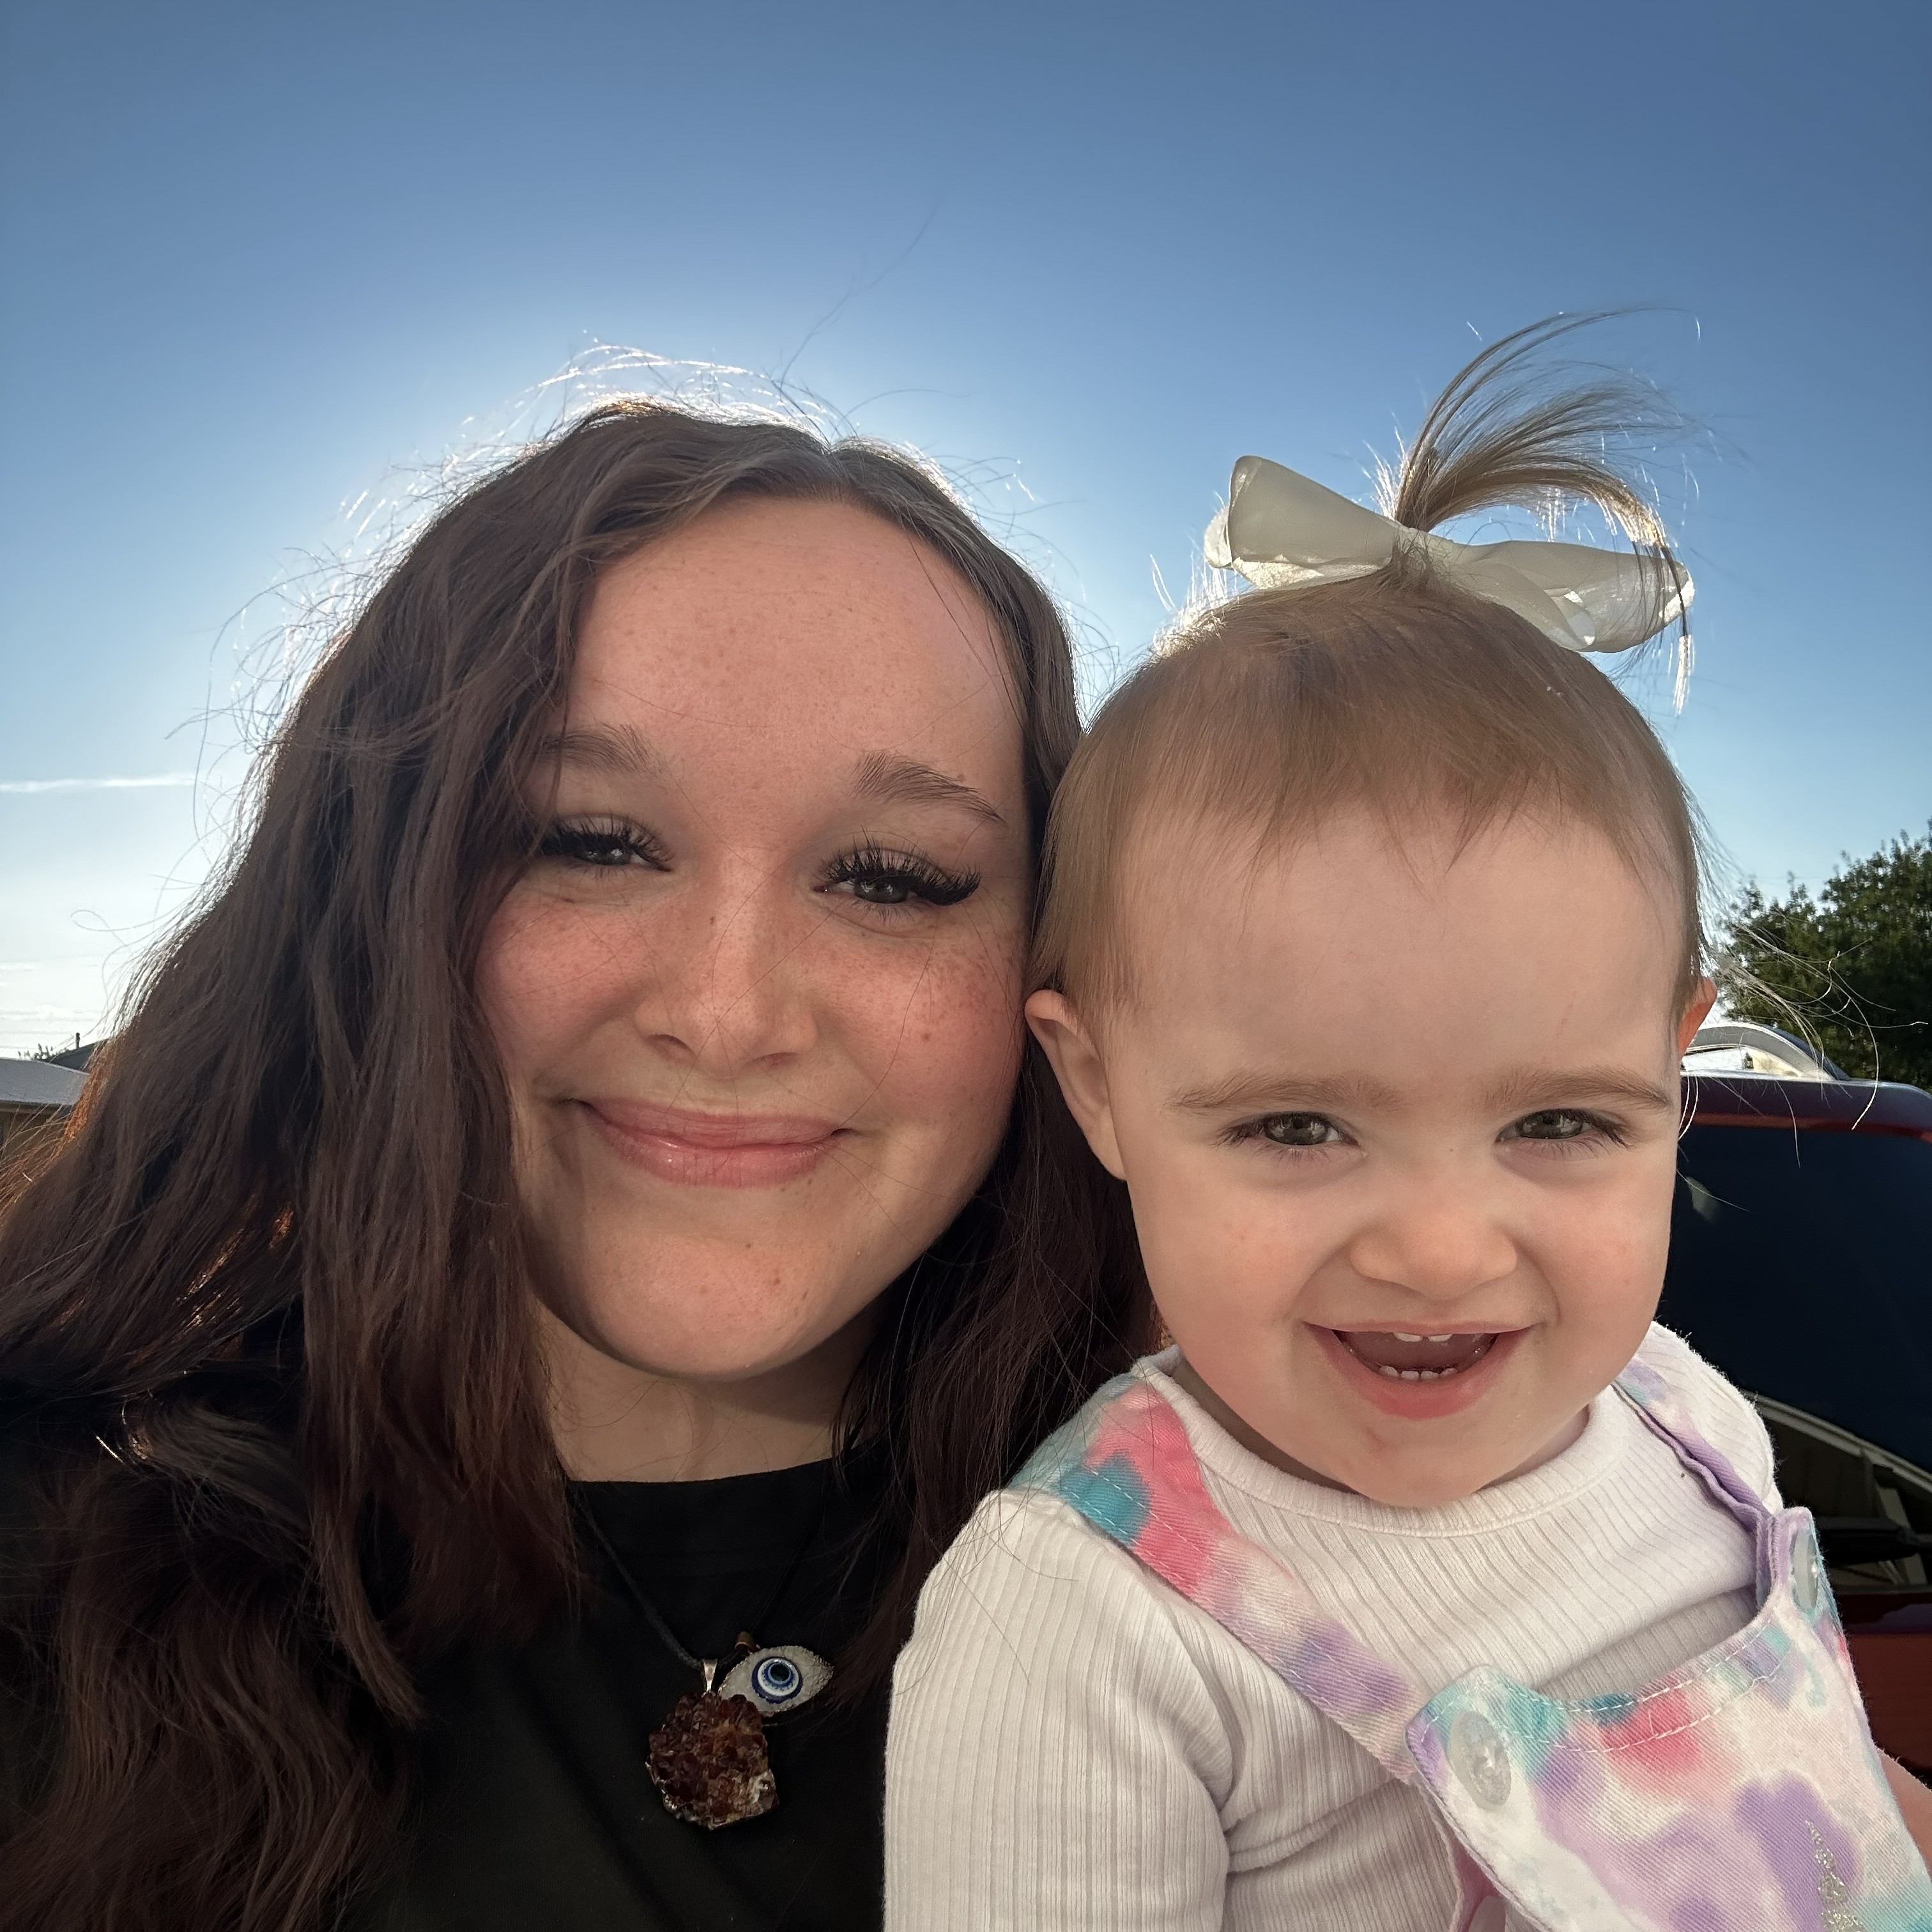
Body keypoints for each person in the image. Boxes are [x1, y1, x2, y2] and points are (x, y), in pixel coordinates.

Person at [0, 401, 1147, 1932]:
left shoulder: (1280, 1597)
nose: (728, 1013)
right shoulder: (43, 1574)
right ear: (371, 901)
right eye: (589, 840)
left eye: (893, 876)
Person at [884, 318, 1932, 1931]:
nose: (1442, 1248)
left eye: (1563, 1122)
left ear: (1672, 1071)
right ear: (1095, 1087)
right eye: (1298, 1127)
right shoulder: (1088, 1630)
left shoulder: (1691, 1421)